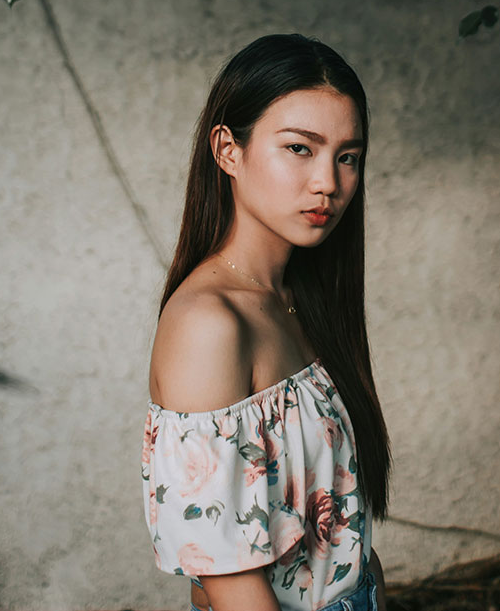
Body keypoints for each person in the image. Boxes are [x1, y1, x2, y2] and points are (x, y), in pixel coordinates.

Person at [141, 33, 391, 611]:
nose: (328, 182)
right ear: (228, 150)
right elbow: (227, 576)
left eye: (347, 156)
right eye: (300, 148)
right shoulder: (209, 323)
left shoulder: (295, 296)